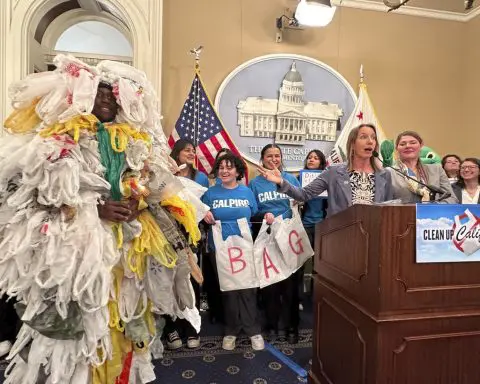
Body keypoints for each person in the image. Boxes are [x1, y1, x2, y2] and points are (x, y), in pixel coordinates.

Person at [0, 55, 203, 383]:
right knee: (77, 343)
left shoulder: (135, 142)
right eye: (98, 92)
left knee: (123, 331)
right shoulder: (55, 142)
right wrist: (93, 210)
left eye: (113, 93)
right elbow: (27, 205)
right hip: (77, 264)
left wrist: (141, 203)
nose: (106, 98)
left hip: (127, 259)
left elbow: (156, 190)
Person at [257, 124, 393, 216]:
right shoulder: (334, 172)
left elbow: (389, 210)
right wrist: (281, 181)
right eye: (364, 137)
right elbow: (303, 195)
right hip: (343, 237)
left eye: (373, 138)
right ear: (352, 143)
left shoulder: (384, 175)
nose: (370, 141)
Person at [202, 153, 264, 351]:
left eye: (229, 167)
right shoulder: (211, 193)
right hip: (219, 248)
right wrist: (204, 212)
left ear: (238, 171)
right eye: (221, 167)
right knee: (228, 290)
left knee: (247, 289)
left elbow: (254, 213)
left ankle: (253, 330)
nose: (224, 171)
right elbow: (198, 209)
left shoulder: (246, 192)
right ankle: (231, 330)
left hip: (244, 247)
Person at [249, 143, 302, 344]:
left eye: (277, 155)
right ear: (262, 159)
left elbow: (300, 201)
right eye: (269, 155)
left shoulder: (290, 179)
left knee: (290, 286)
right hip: (267, 236)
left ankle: (292, 327)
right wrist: (264, 214)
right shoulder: (254, 184)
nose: (274, 159)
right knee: (270, 284)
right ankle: (271, 326)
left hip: (289, 237)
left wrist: (298, 204)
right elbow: (252, 210)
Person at [389, 131, 457, 203]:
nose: (408, 146)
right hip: (401, 213)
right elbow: (383, 201)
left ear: (421, 145)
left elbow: (451, 198)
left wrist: (434, 208)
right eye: (402, 144)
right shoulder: (389, 172)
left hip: (435, 213)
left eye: (413, 143)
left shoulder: (437, 170)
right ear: (396, 148)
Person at [298, 149, 327, 310]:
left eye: (316, 158)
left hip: (323, 226)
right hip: (304, 224)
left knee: (320, 264)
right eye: (309, 157)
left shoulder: (328, 179)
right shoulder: (298, 179)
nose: (311, 160)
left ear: (321, 162)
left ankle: (317, 297)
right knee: (301, 262)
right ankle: (299, 298)